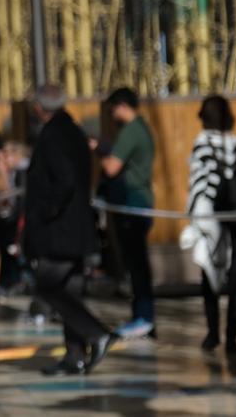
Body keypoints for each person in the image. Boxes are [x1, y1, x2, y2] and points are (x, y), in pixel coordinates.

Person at [25, 85, 115, 375]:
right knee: (69, 291)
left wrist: (47, 211)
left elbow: (64, 180)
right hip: (76, 226)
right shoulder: (74, 131)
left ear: (39, 107)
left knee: (47, 286)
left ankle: (96, 333)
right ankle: (74, 355)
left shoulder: (53, 136)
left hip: (60, 230)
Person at [183, 95, 236, 355]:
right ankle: (232, 339)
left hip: (212, 218)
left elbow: (198, 183)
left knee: (210, 272)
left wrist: (194, 217)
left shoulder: (202, 143)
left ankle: (213, 333)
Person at [97, 87, 157, 339]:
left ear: (121, 105)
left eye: (112, 108)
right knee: (135, 263)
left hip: (133, 204)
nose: (112, 114)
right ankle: (141, 314)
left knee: (137, 263)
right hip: (138, 203)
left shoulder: (131, 131)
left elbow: (112, 167)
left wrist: (98, 149)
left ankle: (144, 316)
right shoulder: (140, 128)